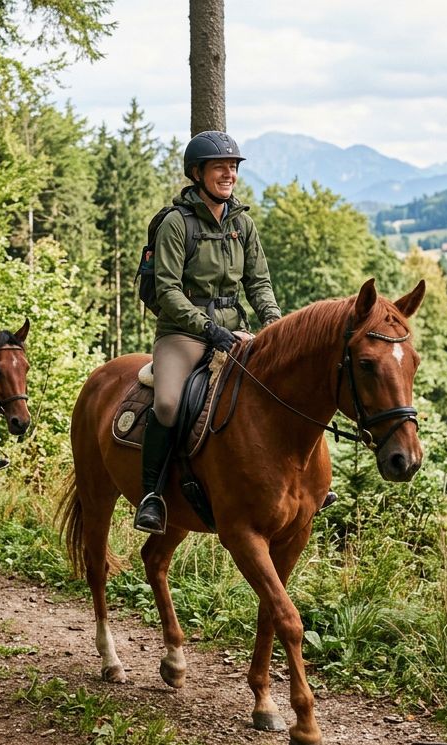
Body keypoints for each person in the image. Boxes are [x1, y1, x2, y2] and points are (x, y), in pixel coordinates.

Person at [133, 130, 283, 534]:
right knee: (166, 403)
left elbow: (259, 283)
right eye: (220, 167)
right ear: (197, 173)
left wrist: (273, 324)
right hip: (183, 333)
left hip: (237, 331)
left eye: (233, 167)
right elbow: (167, 291)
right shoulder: (176, 224)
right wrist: (210, 330)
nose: (229, 174)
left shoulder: (242, 223)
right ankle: (153, 495)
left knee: (281, 387)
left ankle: (299, 485)